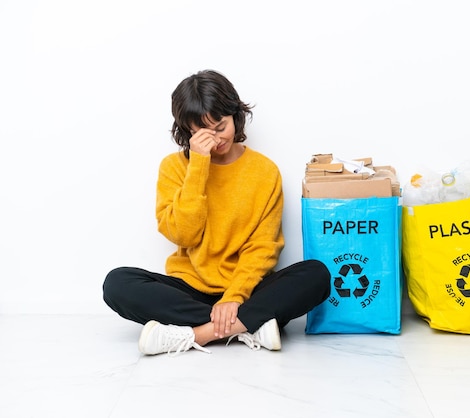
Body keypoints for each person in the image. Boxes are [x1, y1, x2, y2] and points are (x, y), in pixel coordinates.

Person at [103, 70, 330, 356]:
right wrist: (198, 165)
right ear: (187, 130)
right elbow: (184, 234)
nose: (216, 139)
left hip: (247, 290)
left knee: (316, 274)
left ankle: (197, 334)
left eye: (220, 127)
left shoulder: (264, 170)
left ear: (235, 116)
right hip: (190, 287)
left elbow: (264, 247)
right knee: (117, 283)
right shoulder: (173, 167)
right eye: (202, 132)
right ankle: (249, 326)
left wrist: (235, 297)